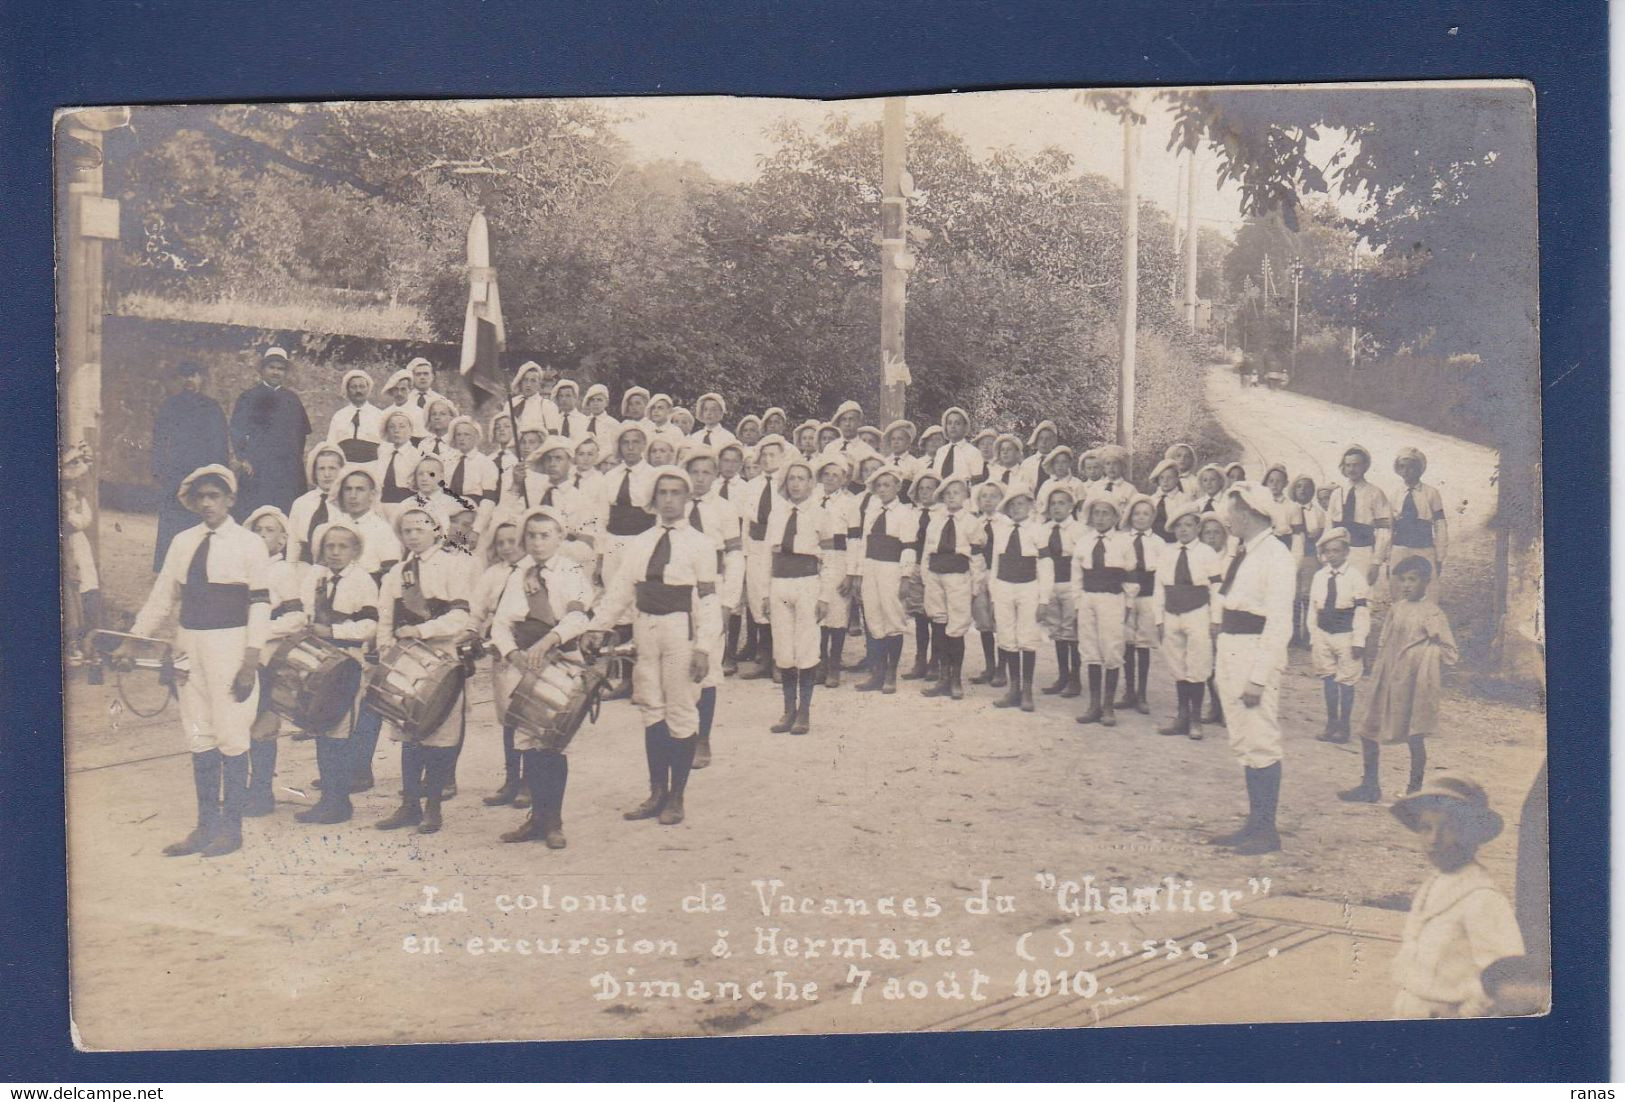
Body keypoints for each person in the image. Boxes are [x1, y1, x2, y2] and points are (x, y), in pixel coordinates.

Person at [122, 465, 271, 858]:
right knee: (199, 734)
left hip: (231, 645)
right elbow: (162, 597)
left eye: (215, 496)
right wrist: (133, 642)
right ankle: (206, 827)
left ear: (230, 499)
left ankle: (232, 829)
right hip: (189, 644)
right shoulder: (182, 541)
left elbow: (260, 604)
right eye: (201, 496)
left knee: (231, 734)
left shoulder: (250, 544)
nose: (207, 503)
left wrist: (251, 659)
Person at [582, 467, 719, 826]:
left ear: (687, 498)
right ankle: (657, 791)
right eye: (663, 493)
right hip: (645, 627)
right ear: (653, 499)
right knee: (651, 708)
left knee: (681, 709)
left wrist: (704, 648)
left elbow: (707, 601)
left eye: (677, 492)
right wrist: (598, 627)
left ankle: (677, 797)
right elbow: (621, 590)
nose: (670, 499)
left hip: (680, 630)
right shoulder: (640, 542)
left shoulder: (701, 545)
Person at [488, 508, 595, 846]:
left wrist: (549, 640)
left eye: (545, 535)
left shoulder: (572, 570)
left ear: (560, 538)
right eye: (531, 535)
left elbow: (578, 618)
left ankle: (554, 823)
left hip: (560, 659)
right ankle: (536, 819)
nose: (536, 542)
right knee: (528, 742)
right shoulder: (519, 574)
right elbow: (501, 623)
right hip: (525, 665)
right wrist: (511, 654)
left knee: (554, 742)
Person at [1206, 482, 1297, 855]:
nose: (1228, 521)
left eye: (1232, 514)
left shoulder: (1276, 555)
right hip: (1232, 649)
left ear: (1247, 513)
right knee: (1244, 741)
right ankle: (1253, 823)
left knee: (1260, 739)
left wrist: (1258, 678)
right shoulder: (1242, 552)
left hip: (1254, 653)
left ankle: (1267, 832)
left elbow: (1279, 623)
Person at [1388, 776, 1524, 1018]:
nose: (1433, 839)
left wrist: (1466, 1015)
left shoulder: (1482, 898)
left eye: (1448, 828)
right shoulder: (1435, 883)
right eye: (1425, 828)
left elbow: (1505, 976)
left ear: (1473, 834)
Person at [374, 507, 474, 835]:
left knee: (438, 733)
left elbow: (462, 617)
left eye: (420, 528)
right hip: (406, 660)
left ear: (436, 529)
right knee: (408, 731)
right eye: (407, 530)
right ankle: (409, 805)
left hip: (442, 657)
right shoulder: (397, 573)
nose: (413, 535)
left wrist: (422, 631)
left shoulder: (454, 565)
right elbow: (386, 619)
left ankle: (433, 806)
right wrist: (387, 653)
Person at [1342, 555, 1459, 801]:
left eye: (1413, 580)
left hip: (1413, 682)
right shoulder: (1397, 608)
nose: (1407, 585)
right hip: (1388, 678)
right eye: (1403, 580)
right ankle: (1370, 786)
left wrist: (1423, 655)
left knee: (1414, 735)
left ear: (1426, 582)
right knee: (1367, 729)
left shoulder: (1432, 613)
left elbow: (1450, 653)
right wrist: (1378, 671)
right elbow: (1385, 641)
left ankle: (1413, 792)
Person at [293, 519, 380, 824]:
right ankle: (328, 798)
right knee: (322, 727)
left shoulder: (363, 581)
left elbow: (370, 626)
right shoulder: (315, 578)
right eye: (329, 546)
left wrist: (332, 630)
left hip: (347, 662)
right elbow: (303, 610)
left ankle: (340, 803)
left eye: (343, 546)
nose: (335, 552)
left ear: (355, 550)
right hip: (318, 662)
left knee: (340, 731)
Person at [762, 459, 836, 733]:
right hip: (780, 582)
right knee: (783, 647)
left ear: (811, 483)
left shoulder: (820, 514)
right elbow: (767, 556)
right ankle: (787, 711)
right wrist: (766, 594)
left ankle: (804, 712)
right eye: (791, 478)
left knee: (806, 646)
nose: (795, 484)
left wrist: (825, 596)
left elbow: (829, 559)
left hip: (807, 582)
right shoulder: (776, 514)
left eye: (801, 478)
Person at [242, 505, 307, 817]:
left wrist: (261, 631)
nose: (262, 535)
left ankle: (262, 792)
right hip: (240, 654)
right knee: (240, 721)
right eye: (257, 530)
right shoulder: (242, 567)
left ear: (282, 540)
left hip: (267, 658)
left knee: (263, 724)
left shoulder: (282, 572)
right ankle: (244, 787)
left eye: (269, 531)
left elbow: (296, 617)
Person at [686, 447, 743, 765]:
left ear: (716, 475)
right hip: (680, 592)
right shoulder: (675, 506)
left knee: (707, 665)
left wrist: (727, 603)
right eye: (694, 472)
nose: (700, 478)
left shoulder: (724, 509)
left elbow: (735, 557)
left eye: (706, 472)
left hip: (712, 590)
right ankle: (683, 734)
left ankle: (702, 739)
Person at [1153, 502, 1224, 739]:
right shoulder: (1167, 552)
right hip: (1172, 612)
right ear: (1172, 530)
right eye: (1178, 526)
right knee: (1178, 664)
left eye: (1188, 525)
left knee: (1198, 664)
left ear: (1197, 528)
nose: (1183, 530)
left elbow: (1216, 588)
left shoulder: (1207, 553)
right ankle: (1181, 716)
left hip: (1198, 612)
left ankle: (1195, 719)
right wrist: (1158, 618)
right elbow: (1159, 587)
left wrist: (1216, 619)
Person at [151, 361, 229, 570]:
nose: (189, 380)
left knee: (203, 516)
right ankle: (168, 567)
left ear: (201, 379)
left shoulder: (212, 407)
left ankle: (201, 566)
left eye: (194, 375)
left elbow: (220, 443)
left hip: (203, 473)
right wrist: (159, 471)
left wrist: (220, 474)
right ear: (179, 380)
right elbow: (158, 441)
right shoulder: (170, 405)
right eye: (185, 376)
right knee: (172, 520)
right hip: (176, 473)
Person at [1072, 491, 1137, 727]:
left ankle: (1108, 705)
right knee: (1090, 649)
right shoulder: (1083, 542)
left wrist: (1128, 603)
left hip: (1112, 599)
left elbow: (1131, 576)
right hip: (1089, 598)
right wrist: (1078, 603)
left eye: (1105, 514)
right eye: (1096, 513)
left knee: (1111, 649)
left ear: (1115, 517)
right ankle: (1094, 705)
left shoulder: (1123, 542)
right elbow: (1076, 575)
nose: (1100, 518)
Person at [853, 465, 917, 695]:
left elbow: (909, 547)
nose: (882, 489)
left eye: (887, 485)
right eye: (878, 485)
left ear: (898, 487)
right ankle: (877, 674)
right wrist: (859, 574)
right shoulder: (871, 510)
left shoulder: (905, 513)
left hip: (892, 568)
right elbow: (863, 543)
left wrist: (906, 577)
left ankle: (890, 674)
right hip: (871, 566)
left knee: (892, 618)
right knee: (873, 618)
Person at [229, 347, 312, 518]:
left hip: (286, 469)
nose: (276, 372)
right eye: (272, 367)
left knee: (286, 513)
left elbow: (301, 434)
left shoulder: (292, 399)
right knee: (254, 513)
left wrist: (296, 462)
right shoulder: (248, 397)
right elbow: (237, 430)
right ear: (263, 370)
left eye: (280, 369)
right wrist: (243, 459)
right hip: (258, 468)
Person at [986, 483, 1047, 712]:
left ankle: (1028, 690)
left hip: (1028, 587)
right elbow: (995, 563)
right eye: (1012, 505)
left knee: (1027, 637)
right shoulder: (1001, 530)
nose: (1017, 508)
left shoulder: (1038, 530)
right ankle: (1014, 688)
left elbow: (1045, 565)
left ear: (1030, 506)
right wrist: (993, 596)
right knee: (1007, 636)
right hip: (1003, 587)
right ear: (1008, 508)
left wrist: (1044, 599)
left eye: (1021, 503)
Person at [1309, 527, 1372, 746]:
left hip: (1346, 634)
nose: (1332, 555)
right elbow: (1313, 608)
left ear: (1346, 552)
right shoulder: (1319, 576)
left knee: (1346, 682)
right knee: (1327, 678)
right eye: (1328, 552)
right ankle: (1331, 723)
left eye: (1337, 550)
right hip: (1324, 632)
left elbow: (1362, 611)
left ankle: (1344, 726)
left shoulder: (1355, 578)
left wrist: (1359, 640)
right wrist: (1313, 635)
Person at [919, 473, 978, 700]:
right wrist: (927, 577)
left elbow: (977, 557)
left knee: (956, 628)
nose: (952, 497)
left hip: (959, 577)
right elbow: (927, 551)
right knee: (939, 623)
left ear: (965, 496)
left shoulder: (971, 522)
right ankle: (943, 677)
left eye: (957, 493)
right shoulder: (937, 520)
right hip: (935, 576)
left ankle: (955, 679)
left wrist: (975, 586)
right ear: (942, 497)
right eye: (948, 494)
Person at [739, 434, 790, 679]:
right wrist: (746, 553)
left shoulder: (788, 484)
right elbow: (746, 523)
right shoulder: (751, 485)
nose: (768, 459)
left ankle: (781, 662)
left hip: (780, 550)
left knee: (778, 602)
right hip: (756, 548)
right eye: (765, 455)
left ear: (782, 457)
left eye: (773, 455)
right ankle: (765, 660)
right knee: (758, 601)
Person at [813, 454, 858, 687]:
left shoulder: (850, 504)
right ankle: (819, 662)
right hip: (816, 559)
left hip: (840, 559)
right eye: (827, 474)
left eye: (836, 475)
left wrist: (851, 573)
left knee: (838, 611)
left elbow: (855, 540)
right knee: (818, 611)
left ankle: (834, 664)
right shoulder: (812, 499)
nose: (830, 479)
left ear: (844, 479)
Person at [1034, 484, 1081, 698]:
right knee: (1057, 631)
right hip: (1051, 584)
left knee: (1072, 631)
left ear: (1071, 506)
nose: (1057, 508)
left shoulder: (1079, 530)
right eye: (1053, 504)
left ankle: (1075, 678)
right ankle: (1062, 675)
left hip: (1070, 584)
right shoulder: (1044, 529)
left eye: (1062, 503)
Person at [1118, 495, 1163, 715]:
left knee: (1143, 643)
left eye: (1146, 513)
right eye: (1137, 513)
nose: (1141, 517)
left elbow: (1162, 573)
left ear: (1153, 517)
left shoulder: (1159, 543)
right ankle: (1129, 690)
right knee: (1127, 642)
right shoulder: (1122, 539)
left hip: (1148, 595)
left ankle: (1142, 693)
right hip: (1126, 595)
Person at [1325, 445, 1392, 588]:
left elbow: (1384, 531)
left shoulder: (1375, 493)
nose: (1352, 469)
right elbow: (1328, 527)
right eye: (1348, 465)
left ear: (1365, 466)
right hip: (1339, 552)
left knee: (1362, 595)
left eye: (1356, 465)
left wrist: (1376, 562)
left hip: (1363, 552)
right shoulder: (1337, 494)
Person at [61, 445, 103, 663]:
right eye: (72, 464)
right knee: (71, 588)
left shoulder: (77, 492)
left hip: (78, 543)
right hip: (66, 544)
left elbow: (85, 518)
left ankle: (89, 641)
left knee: (88, 585)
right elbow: (74, 521)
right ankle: (72, 643)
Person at [1390, 446, 1450, 595]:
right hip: (1400, 547)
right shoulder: (1395, 493)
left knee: (1427, 590)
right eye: (1402, 467)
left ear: (1420, 468)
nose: (1406, 471)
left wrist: (1439, 555)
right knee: (1399, 591)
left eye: (1411, 467)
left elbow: (1440, 525)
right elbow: (1389, 526)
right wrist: (1387, 555)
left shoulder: (1431, 493)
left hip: (1424, 547)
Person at [901, 472, 942, 680]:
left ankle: (936, 661)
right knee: (919, 615)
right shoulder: (911, 513)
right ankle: (920, 660)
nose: (926, 493)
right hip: (915, 566)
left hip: (935, 568)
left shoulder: (942, 513)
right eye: (922, 489)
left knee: (936, 614)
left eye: (930, 488)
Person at [967, 479, 1007, 687]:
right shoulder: (975, 523)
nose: (989, 500)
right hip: (980, 575)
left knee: (1000, 620)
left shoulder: (1006, 524)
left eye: (994, 496)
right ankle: (989, 666)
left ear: (1002, 499)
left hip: (1000, 576)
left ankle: (1002, 669)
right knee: (984, 621)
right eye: (984, 496)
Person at [287, 443, 348, 564]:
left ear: (341, 471)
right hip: (305, 567)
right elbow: (293, 544)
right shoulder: (301, 503)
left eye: (332, 468)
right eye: (321, 468)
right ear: (314, 472)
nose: (327, 474)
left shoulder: (349, 503)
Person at [1289, 475, 1325, 647]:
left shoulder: (1318, 512)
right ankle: (1294, 633)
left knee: (1307, 596)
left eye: (1308, 487)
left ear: (1313, 491)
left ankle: (1308, 634)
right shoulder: (1289, 509)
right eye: (1299, 487)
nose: (1303, 490)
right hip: (1292, 557)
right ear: (1294, 490)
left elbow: (1322, 534)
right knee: (1293, 597)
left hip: (1310, 557)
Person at [326, 369, 383, 463]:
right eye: (353, 387)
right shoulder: (339, 416)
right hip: (345, 467)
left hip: (372, 468)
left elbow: (386, 447)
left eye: (362, 386)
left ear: (368, 389)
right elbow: (331, 445)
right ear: (347, 390)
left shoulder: (379, 415)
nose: (358, 390)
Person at [374, 411, 422, 519]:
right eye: (392, 427)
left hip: (406, 504)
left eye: (402, 426)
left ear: (410, 429)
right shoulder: (383, 453)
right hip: (382, 505)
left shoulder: (416, 456)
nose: (396, 430)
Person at [929, 406, 985, 483]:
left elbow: (977, 485)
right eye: (949, 423)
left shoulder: (974, 453)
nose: (953, 426)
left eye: (957, 423)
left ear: (965, 427)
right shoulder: (940, 452)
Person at [403, 357, 451, 442]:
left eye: (426, 374)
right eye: (418, 374)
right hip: (408, 442)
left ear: (432, 377)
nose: (422, 377)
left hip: (432, 442)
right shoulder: (405, 399)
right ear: (412, 377)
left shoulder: (440, 400)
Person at [1145, 459, 1190, 543]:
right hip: (1152, 540)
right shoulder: (1152, 499)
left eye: (1169, 477)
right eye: (1162, 478)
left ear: (1177, 479)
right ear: (1158, 480)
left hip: (1174, 541)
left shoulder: (1183, 499)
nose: (1165, 481)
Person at [509, 362, 558, 436]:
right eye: (525, 380)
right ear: (520, 382)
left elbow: (553, 436)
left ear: (539, 384)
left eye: (533, 381)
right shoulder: (511, 403)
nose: (528, 385)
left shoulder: (547, 406)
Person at [1019, 421, 1059, 486]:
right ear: (1036, 440)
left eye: (1048, 439)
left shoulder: (1059, 463)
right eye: (1041, 438)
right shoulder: (1027, 463)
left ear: (1054, 441)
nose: (1044, 442)